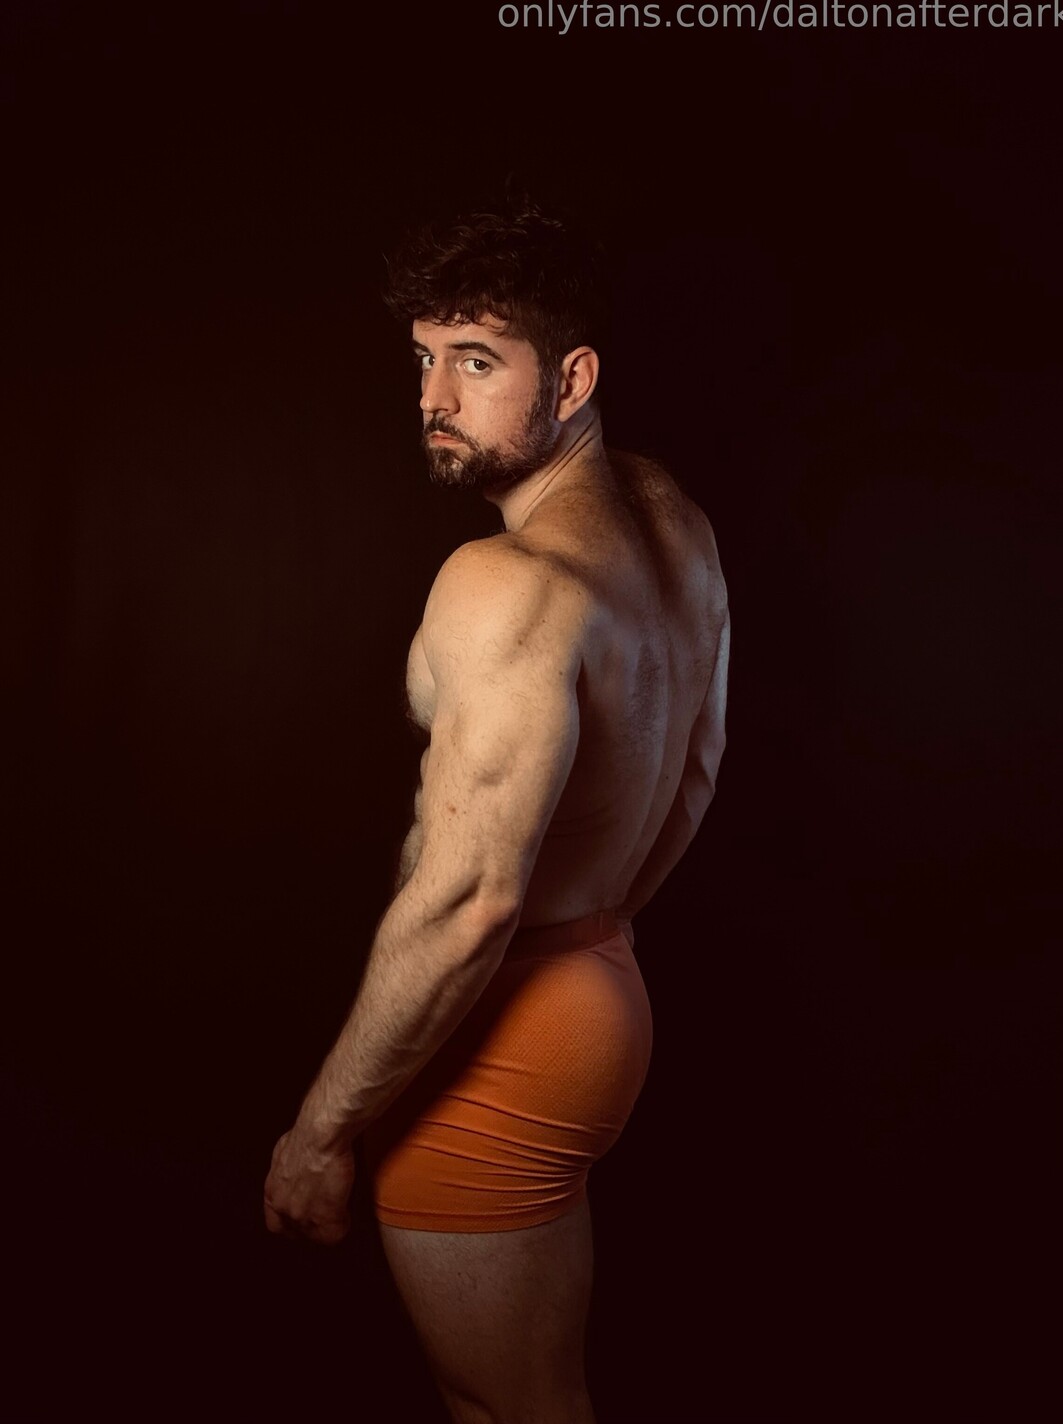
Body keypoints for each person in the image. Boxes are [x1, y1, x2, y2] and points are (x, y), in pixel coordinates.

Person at [263, 199, 730, 1424]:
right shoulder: (671, 521)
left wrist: (320, 1133)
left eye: (477, 363)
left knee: (505, 1408)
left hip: (504, 1033)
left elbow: (471, 900)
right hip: (602, 986)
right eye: (424, 359)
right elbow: (696, 772)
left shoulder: (503, 583)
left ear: (572, 378)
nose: (434, 398)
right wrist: (596, 938)